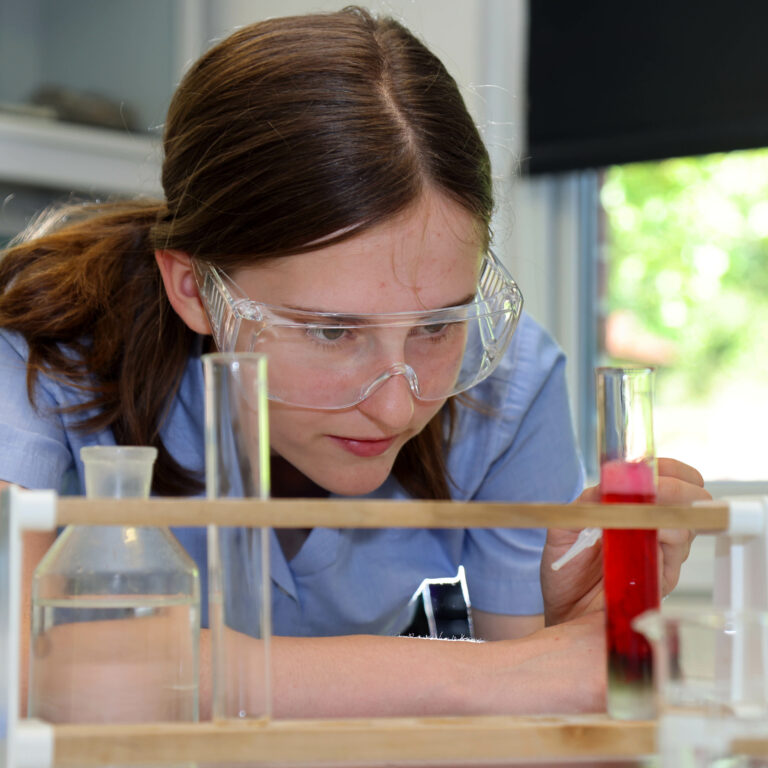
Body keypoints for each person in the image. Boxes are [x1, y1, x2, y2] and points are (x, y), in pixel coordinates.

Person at [0, 6, 709, 719]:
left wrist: (579, 625)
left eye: (437, 324)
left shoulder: (509, 385)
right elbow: (19, 671)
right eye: (333, 332)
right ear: (195, 288)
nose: (398, 407)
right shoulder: (36, 350)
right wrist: (485, 677)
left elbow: (534, 733)